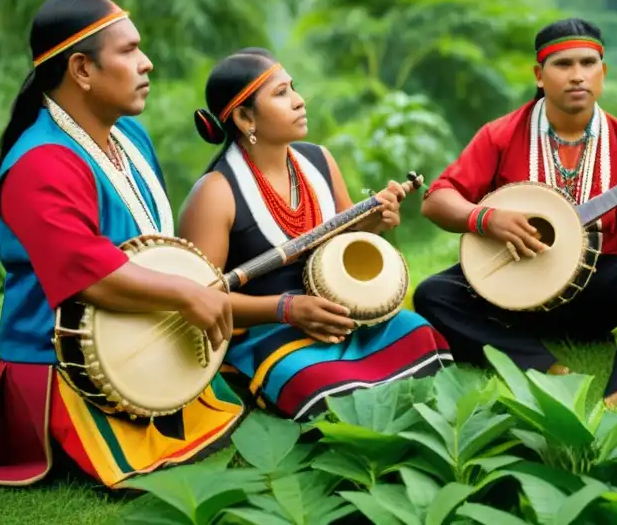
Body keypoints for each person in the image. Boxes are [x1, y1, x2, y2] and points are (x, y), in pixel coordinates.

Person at [0, 0, 244, 489]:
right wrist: (185, 293)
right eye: (129, 52)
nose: (146, 63)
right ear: (82, 69)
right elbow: (85, 274)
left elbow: (151, 243)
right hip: (61, 363)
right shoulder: (40, 162)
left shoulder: (130, 134)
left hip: (141, 335)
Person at [413, 18, 617, 407]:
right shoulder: (502, 134)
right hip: (513, 290)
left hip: (593, 292)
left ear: (603, 73)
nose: (577, 76)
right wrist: (488, 219)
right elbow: (437, 200)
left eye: (588, 63)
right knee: (434, 294)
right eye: (562, 65)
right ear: (539, 76)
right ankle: (543, 365)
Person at [177, 49, 453, 422]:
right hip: (265, 330)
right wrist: (287, 310)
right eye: (280, 93)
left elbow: (341, 247)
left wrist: (373, 224)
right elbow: (198, 300)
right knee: (316, 380)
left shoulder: (319, 161)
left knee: (418, 333)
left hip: (337, 314)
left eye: (293, 87)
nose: (298, 100)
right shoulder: (215, 192)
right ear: (245, 118)